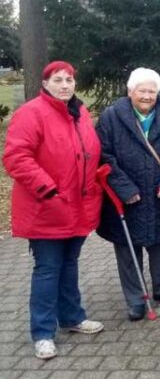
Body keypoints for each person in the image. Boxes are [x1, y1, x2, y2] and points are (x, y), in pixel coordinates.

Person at [3, 61, 104, 360]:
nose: (65, 85)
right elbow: (16, 156)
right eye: (58, 80)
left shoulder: (80, 113)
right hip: (46, 206)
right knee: (47, 269)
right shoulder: (31, 113)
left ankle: (72, 317)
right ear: (45, 84)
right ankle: (43, 333)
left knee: (69, 264)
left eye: (69, 79)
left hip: (77, 205)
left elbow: (89, 151)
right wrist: (47, 189)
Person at [96, 68, 160, 321]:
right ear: (130, 91)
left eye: (152, 91)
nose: (147, 96)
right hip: (125, 196)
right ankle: (137, 299)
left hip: (159, 192)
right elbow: (103, 155)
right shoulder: (111, 117)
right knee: (128, 248)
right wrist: (124, 188)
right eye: (142, 90)